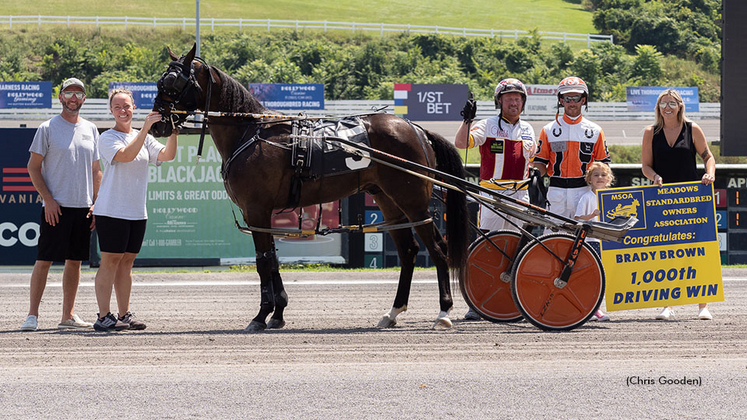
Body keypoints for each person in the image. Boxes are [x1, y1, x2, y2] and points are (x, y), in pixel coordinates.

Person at [92, 89, 178, 331]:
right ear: (111, 111)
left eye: (127, 106)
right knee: (110, 261)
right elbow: (126, 156)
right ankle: (103, 316)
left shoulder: (145, 138)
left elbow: (167, 155)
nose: (123, 110)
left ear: (134, 107)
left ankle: (124, 314)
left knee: (127, 262)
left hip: (136, 211)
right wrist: (145, 129)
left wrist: (174, 133)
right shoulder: (108, 138)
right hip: (111, 210)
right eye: (117, 107)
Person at [20, 78, 102, 332]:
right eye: (69, 93)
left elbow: (96, 171)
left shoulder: (91, 129)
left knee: (75, 261)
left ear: (84, 99)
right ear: (61, 97)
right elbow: (33, 168)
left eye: (78, 93)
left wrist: (96, 204)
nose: (74, 97)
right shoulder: (47, 128)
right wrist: (48, 199)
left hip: (84, 207)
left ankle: (68, 314)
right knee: (44, 260)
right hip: (56, 207)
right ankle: (32, 315)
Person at [455, 78, 537, 320]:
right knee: (487, 249)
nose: (514, 102)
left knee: (514, 250)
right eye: (509, 98)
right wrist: (467, 121)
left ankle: (512, 302)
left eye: (518, 98)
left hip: (520, 195)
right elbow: (461, 143)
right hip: (492, 195)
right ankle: (476, 303)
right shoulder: (487, 125)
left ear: (523, 102)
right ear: (499, 101)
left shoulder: (529, 129)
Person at [641, 88, 716, 321]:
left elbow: (708, 157)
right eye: (663, 103)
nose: (668, 107)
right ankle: (668, 305)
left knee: (697, 251)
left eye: (672, 103)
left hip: (692, 199)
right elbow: (645, 166)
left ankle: (703, 305)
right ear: (658, 108)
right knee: (666, 253)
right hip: (662, 200)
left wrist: (709, 174)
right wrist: (654, 177)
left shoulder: (692, 129)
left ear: (680, 106)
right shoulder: (650, 132)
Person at [533, 76, 610, 220]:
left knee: (584, 237)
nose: (572, 103)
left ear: (583, 100)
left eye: (576, 97)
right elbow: (540, 164)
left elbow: (604, 166)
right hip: (556, 190)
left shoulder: (596, 131)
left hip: (585, 190)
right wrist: (531, 172)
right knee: (553, 236)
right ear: (561, 101)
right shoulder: (548, 130)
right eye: (567, 99)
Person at [574, 161, 614, 321]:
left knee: (602, 276)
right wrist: (590, 216)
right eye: (596, 175)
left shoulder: (612, 198)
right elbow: (577, 218)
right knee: (591, 276)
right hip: (591, 242)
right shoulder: (586, 197)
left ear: (609, 179)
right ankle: (591, 309)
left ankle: (595, 308)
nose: (600, 178)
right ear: (589, 179)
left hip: (607, 243)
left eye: (603, 175)